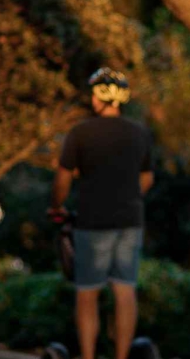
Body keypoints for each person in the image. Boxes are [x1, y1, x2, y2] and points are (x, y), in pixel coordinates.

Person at [49, 68, 154, 359]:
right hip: (130, 221)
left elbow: (62, 179)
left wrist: (56, 206)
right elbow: (147, 178)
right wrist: (128, 196)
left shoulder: (81, 133)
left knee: (87, 293)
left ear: (98, 97)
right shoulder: (139, 133)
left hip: (92, 221)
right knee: (125, 291)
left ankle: (88, 356)